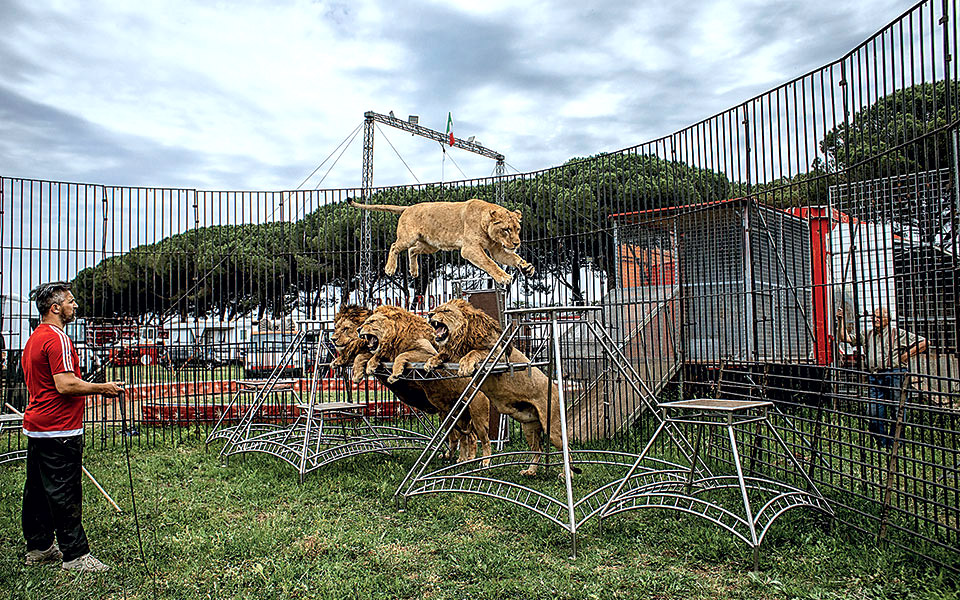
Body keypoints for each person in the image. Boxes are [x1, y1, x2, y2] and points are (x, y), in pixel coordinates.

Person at [20, 282, 124, 572]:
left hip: (38, 427)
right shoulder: (57, 339)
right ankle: (76, 555)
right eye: (70, 301)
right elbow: (64, 384)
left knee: (38, 491)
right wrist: (102, 387)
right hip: (60, 429)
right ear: (55, 308)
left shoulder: (34, 338)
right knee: (65, 493)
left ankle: (39, 547)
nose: (75, 305)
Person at [835, 306, 927, 448]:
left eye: (879, 317)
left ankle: (896, 442)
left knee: (897, 408)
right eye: (874, 316)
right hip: (875, 375)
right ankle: (881, 441)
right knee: (874, 410)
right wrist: (840, 320)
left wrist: (904, 356)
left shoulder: (897, 333)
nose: (875, 319)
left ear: (887, 319)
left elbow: (924, 342)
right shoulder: (868, 334)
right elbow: (844, 338)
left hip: (895, 373)